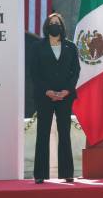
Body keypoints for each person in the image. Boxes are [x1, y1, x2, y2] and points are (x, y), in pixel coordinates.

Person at [30, 13, 81, 184]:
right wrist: (47, 90)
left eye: (57, 23)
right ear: (46, 26)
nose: (54, 25)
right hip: (44, 96)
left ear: (62, 26)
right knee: (42, 133)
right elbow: (34, 72)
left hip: (65, 97)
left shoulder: (71, 47)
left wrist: (67, 90)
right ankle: (40, 174)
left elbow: (76, 71)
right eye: (51, 23)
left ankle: (67, 173)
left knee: (64, 134)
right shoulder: (38, 46)